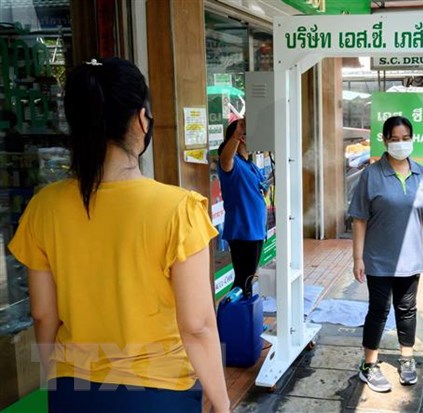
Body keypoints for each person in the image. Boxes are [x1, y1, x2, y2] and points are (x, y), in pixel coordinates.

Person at [8, 58, 230, 413]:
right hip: (158, 394)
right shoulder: (179, 209)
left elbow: (42, 314)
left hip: (73, 391)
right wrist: (221, 401)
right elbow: (197, 325)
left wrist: (55, 375)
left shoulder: (44, 207)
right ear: (142, 120)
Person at [348, 116, 423, 393]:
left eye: (405, 138)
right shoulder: (371, 174)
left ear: (412, 139)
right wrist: (358, 258)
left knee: (407, 310)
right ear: (385, 140)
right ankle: (368, 365)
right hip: (378, 259)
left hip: (410, 259)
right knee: (378, 311)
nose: (401, 144)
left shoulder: (422, 174)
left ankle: (407, 359)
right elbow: (359, 219)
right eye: (395, 139)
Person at [217, 119, 267, 297]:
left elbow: (261, 188)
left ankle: (244, 319)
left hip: (255, 230)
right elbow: (225, 157)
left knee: (247, 279)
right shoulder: (232, 163)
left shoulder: (250, 164)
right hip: (243, 230)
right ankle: (236, 319)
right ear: (243, 139)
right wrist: (237, 134)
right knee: (243, 280)